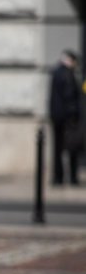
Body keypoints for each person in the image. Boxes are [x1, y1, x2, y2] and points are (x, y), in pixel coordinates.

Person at [49, 49, 81, 185]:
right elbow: (69, 97)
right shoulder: (68, 75)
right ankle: (72, 177)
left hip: (57, 117)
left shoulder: (56, 72)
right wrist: (74, 115)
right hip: (68, 119)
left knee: (57, 149)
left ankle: (58, 177)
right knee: (72, 148)